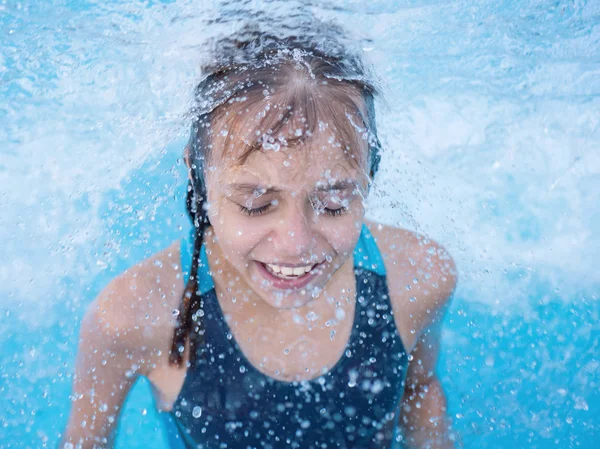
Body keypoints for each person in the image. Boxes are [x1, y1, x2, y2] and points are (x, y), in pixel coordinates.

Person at [60, 23, 457, 449]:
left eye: (334, 202)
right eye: (255, 204)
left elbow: (419, 391)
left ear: (369, 177)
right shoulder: (133, 317)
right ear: (198, 178)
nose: (295, 242)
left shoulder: (416, 279)